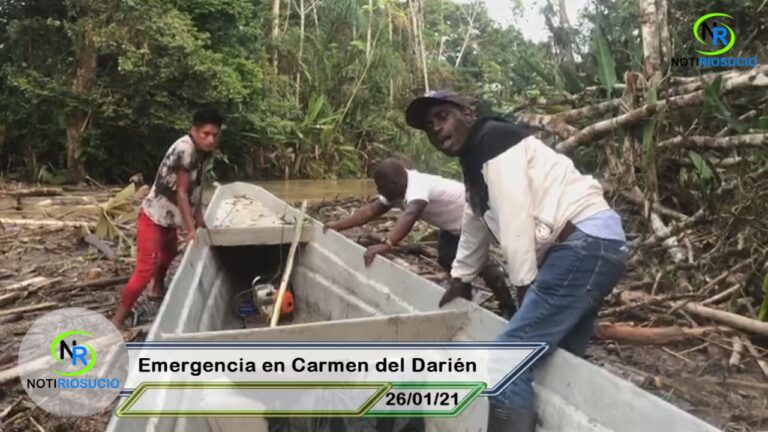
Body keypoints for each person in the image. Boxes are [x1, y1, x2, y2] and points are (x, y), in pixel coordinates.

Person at [404, 90, 627, 432]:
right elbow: (476, 218)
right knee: (560, 353)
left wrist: (524, 286)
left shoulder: (493, 141)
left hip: (583, 244)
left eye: (442, 116)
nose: (435, 128)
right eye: (428, 126)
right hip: (594, 246)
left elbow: (515, 220)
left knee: (507, 357)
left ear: (467, 112)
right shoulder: (475, 160)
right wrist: (461, 277)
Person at [324, 158, 516, 318]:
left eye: (380, 186)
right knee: (447, 258)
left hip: (475, 221)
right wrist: (338, 225)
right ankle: (465, 291)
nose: (378, 190)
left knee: (481, 265)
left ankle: (508, 306)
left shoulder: (418, 188)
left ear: (393, 184)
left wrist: (387, 244)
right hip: (451, 226)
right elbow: (370, 211)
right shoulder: (398, 187)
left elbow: (410, 215)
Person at [111, 107, 224, 329]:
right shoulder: (185, 150)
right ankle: (117, 319)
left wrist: (200, 216)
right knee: (144, 269)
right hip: (155, 216)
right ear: (194, 130)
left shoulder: (202, 152)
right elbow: (181, 192)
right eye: (206, 134)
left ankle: (157, 289)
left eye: (215, 135)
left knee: (170, 252)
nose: (210, 139)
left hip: (170, 218)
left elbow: (197, 186)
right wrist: (191, 229)